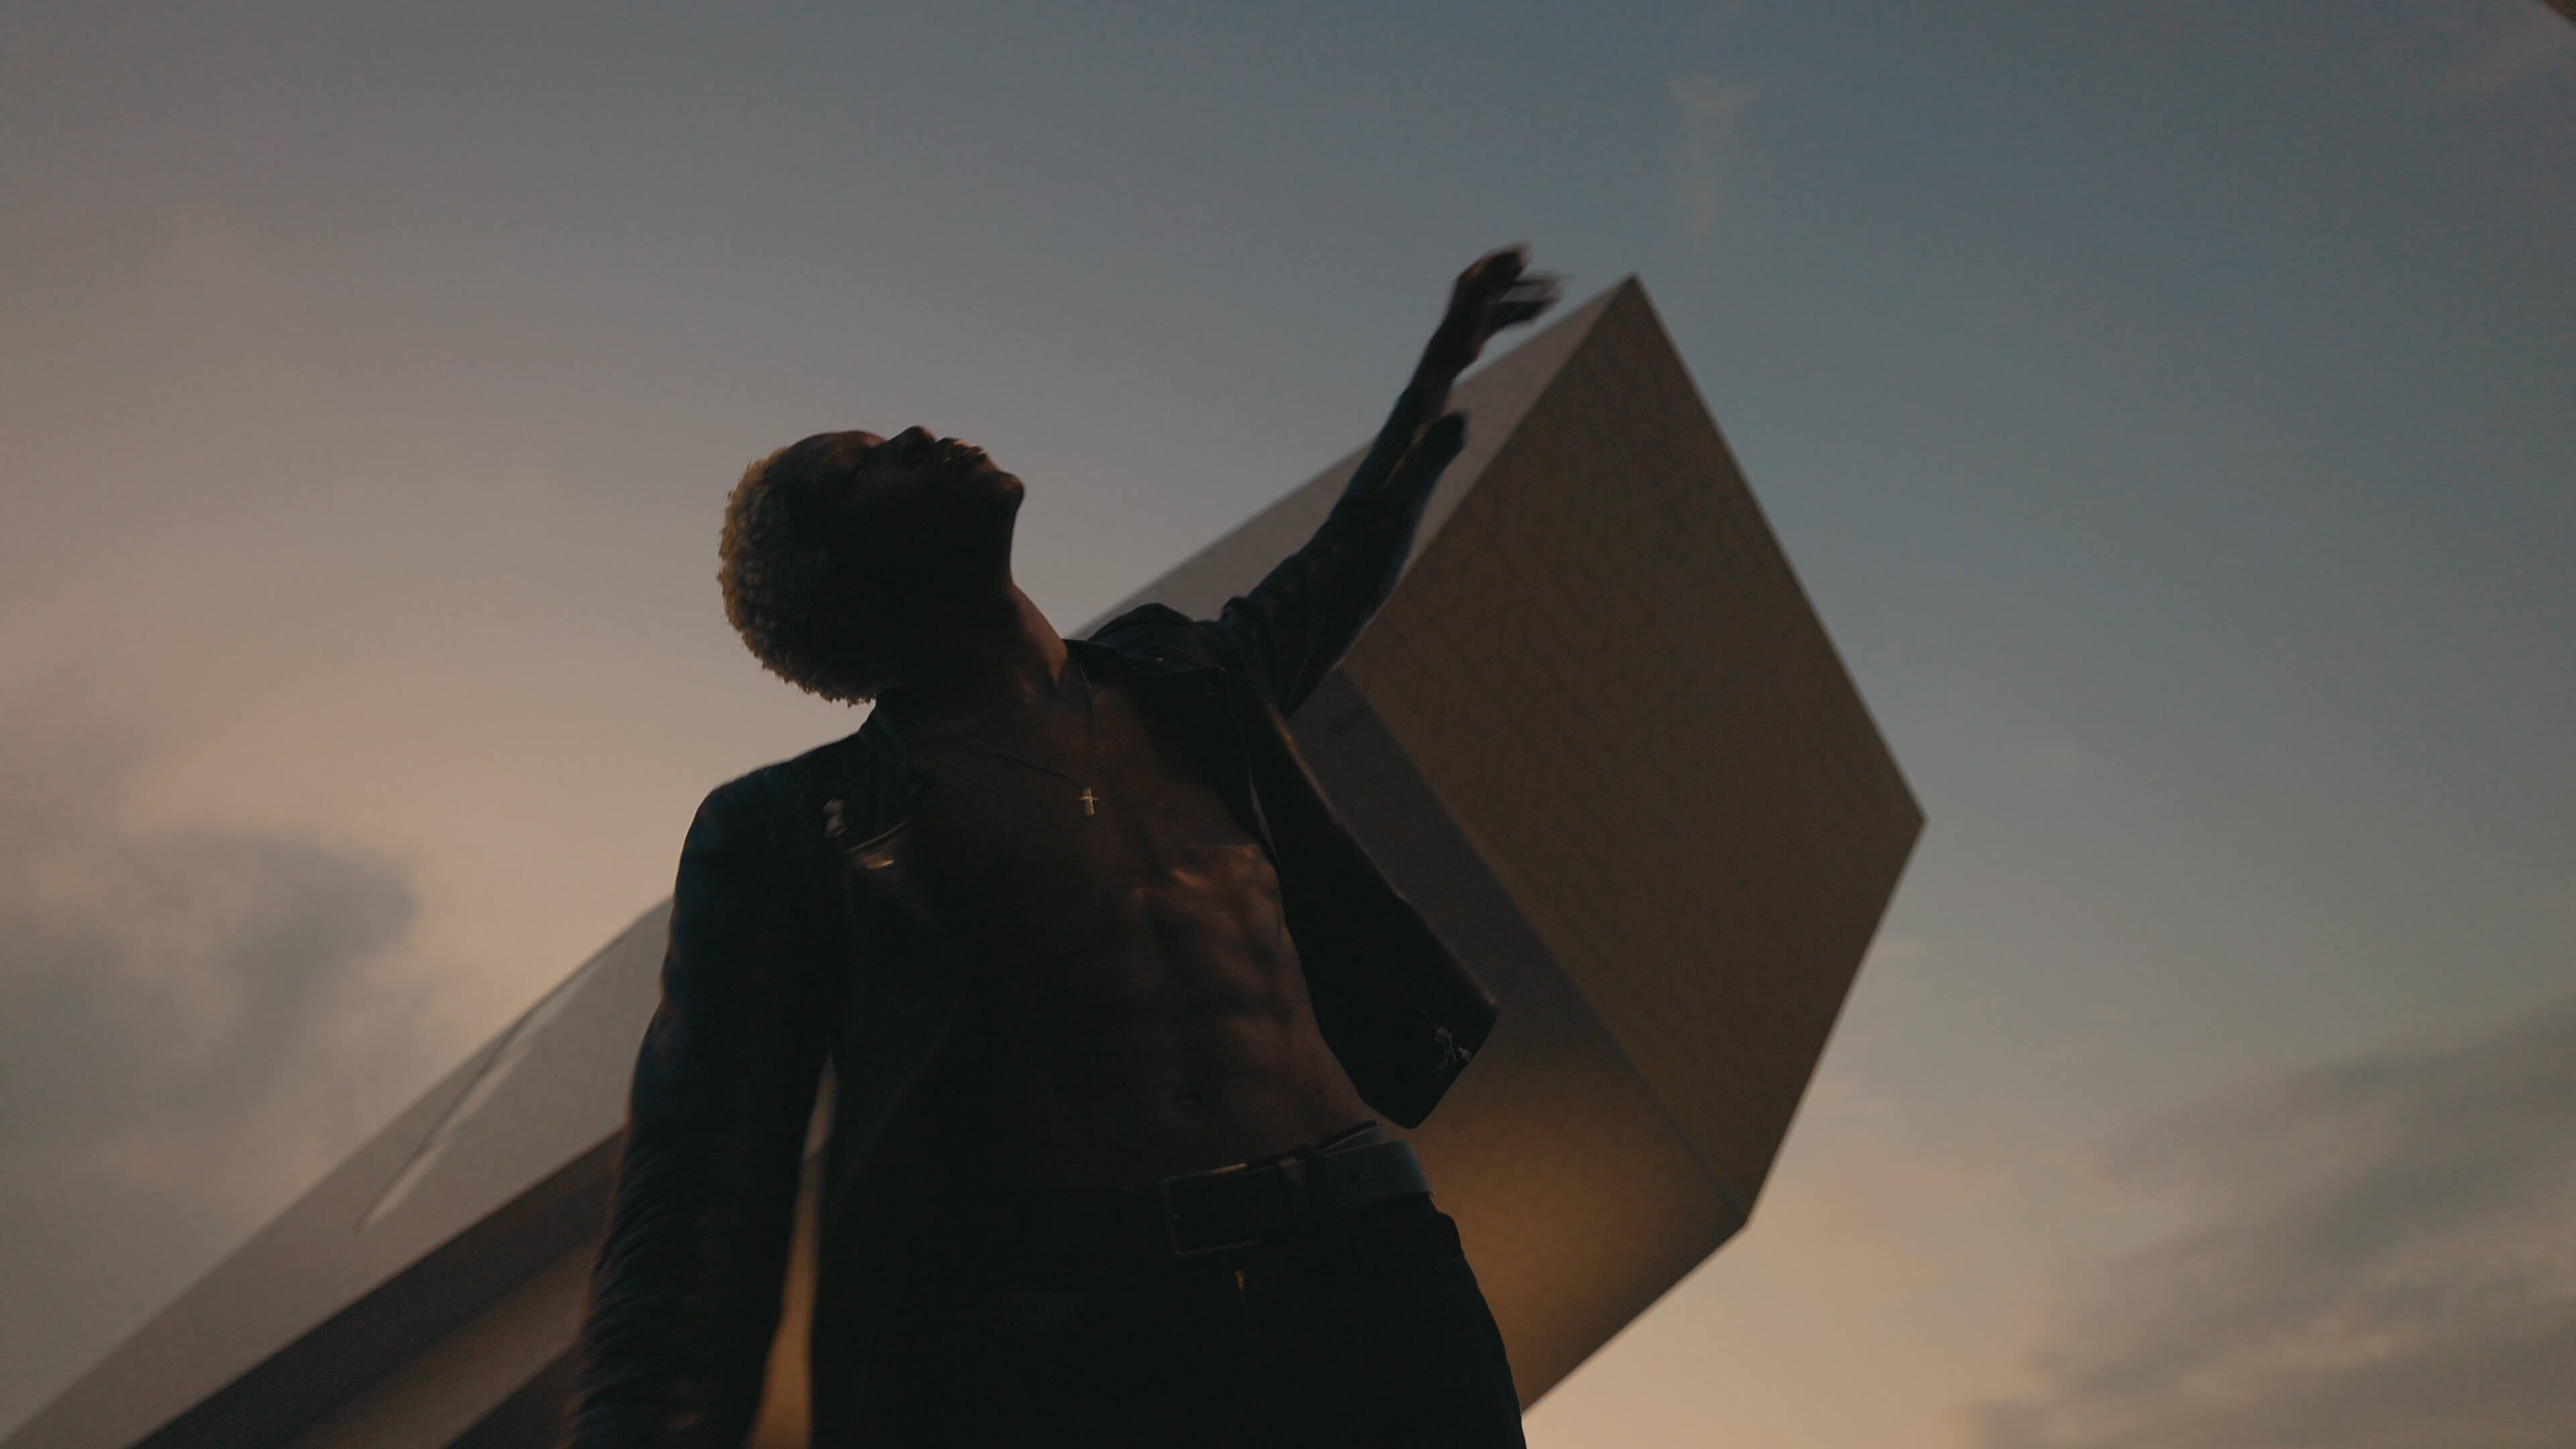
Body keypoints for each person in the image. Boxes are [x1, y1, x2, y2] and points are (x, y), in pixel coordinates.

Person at [568, 249, 1560, 1448]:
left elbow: (1341, 563)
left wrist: (1438, 371)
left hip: (1385, 1277)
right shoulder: (796, 831)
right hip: (1114, 1345)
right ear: (846, 587)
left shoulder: (1190, 681)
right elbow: (691, 1206)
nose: (914, 435)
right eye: (860, 468)